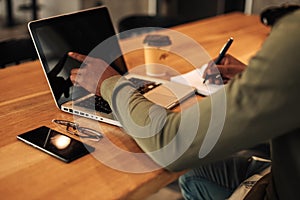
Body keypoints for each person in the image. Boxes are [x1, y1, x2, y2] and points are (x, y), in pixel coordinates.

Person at [69, 8, 300, 199]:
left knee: (182, 168)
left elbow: (172, 143)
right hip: (280, 170)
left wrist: (109, 84)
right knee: (193, 174)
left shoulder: (294, 35)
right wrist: (260, 78)